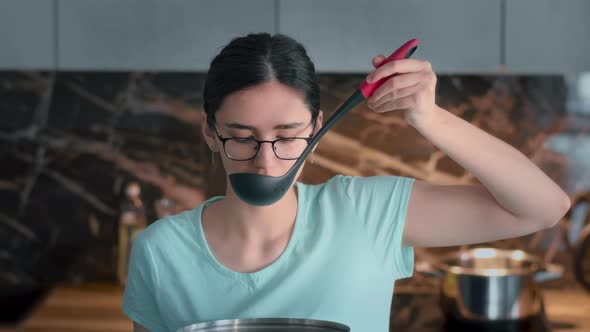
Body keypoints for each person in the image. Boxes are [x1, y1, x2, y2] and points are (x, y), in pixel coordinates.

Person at [122, 33, 571, 332]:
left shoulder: (366, 213)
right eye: (241, 137)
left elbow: (542, 207)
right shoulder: (159, 252)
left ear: (317, 131)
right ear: (209, 134)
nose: (264, 161)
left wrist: (430, 118)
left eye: (287, 136)